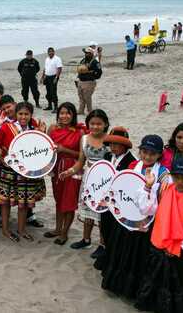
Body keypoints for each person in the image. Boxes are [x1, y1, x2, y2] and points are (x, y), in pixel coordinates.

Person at [134, 158, 183, 313]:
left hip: (180, 250)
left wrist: (180, 247)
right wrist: (148, 187)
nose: (180, 181)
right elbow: (146, 209)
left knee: (178, 280)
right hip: (158, 244)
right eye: (177, 177)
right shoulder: (163, 189)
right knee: (156, 276)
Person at [100, 134, 169, 300]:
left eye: (152, 153)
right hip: (127, 217)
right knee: (122, 250)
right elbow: (121, 187)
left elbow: (163, 200)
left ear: (159, 154)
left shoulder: (163, 174)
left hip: (147, 222)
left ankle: (134, 289)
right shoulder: (133, 165)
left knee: (139, 255)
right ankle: (117, 284)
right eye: (144, 151)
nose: (147, 156)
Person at [0, 102, 48, 242]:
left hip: (26, 172)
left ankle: (21, 229)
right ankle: (5, 229)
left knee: (24, 201)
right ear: (16, 114)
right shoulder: (6, 126)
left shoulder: (34, 128)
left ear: (30, 115)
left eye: (26, 114)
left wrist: (42, 134)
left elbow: (40, 148)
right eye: (20, 114)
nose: (23, 116)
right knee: (5, 202)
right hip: (9, 170)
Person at [58, 109, 110, 256]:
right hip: (89, 178)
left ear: (105, 124)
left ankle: (102, 244)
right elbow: (81, 162)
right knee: (88, 211)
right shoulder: (85, 138)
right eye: (92, 123)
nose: (95, 127)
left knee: (101, 214)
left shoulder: (110, 139)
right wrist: (69, 171)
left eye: (98, 124)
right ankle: (86, 240)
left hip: (105, 181)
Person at [94, 127, 136, 272]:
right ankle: (107, 254)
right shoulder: (107, 157)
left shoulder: (132, 162)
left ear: (125, 145)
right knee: (105, 227)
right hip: (106, 201)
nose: (113, 147)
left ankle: (114, 260)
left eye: (117, 144)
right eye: (111, 144)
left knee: (116, 232)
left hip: (120, 203)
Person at [45, 102, 85, 245]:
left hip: (73, 169)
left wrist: (64, 150)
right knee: (59, 199)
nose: (64, 116)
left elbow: (82, 155)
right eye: (62, 113)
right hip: (57, 168)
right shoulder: (52, 129)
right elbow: (45, 148)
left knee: (68, 201)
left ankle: (64, 233)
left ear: (73, 115)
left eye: (68, 113)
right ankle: (57, 228)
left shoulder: (80, 132)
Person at [76, 47, 102, 115]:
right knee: (81, 97)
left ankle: (90, 111)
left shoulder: (95, 62)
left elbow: (99, 72)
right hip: (81, 81)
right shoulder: (83, 60)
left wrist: (93, 76)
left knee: (87, 97)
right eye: (86, 53)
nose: (86, 54)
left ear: (91, 54)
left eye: (88, 53)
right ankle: (81, 110)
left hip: (89, 82)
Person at [40, 47, 63, 112]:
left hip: (54, 77)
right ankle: (49, 106)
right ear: (47, 53)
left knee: (53, 92)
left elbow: (59, 69)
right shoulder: (47, 59)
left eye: (51, 51)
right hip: (47, 77)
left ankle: (56, 107)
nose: (50, 53)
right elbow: (45, 68)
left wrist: (56, 78)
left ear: (54, 52)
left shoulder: (57, 59)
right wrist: (42, 77)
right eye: (49, 52)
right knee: (48, 92)